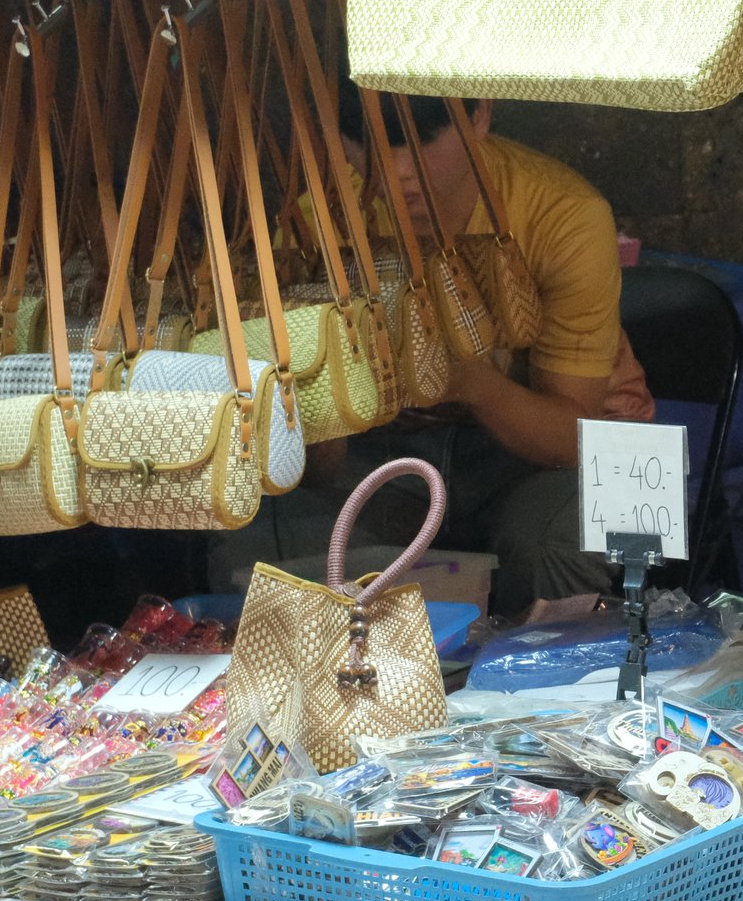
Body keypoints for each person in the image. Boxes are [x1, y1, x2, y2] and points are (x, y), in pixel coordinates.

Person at [213, 98, 653, 615]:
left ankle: (561, 686)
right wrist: (323, 388)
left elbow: (570, 436)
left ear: (479, 116)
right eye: (371, 149)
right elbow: (320, 463)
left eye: (423, 144)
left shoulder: (566, 213)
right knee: (256, 541)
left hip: (580, 447)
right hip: (395, 454)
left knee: (560, 541)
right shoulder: (318, 223)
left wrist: (465, 379)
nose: (398, 172)